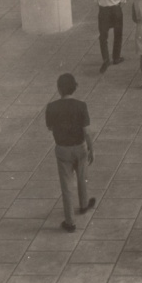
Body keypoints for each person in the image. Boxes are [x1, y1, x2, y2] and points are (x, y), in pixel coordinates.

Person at [45, 73, 95, 233]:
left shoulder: (52, 107)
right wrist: (91, 148)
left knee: (66, 186)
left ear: (59, 89)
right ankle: (83, 205)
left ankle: (70, 221)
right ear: (74, 87)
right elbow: (86, 131)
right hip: (80, 147)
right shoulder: (82, 105)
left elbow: (50, 127)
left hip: (62, 149)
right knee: (82, 178)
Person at [93, 0, 126, 74]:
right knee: (118, 34)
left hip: (103, 10)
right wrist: (118, 4)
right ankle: (116, 57)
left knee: (103, 36)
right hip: (116, 9)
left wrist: (102, 5)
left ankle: (106, 59)